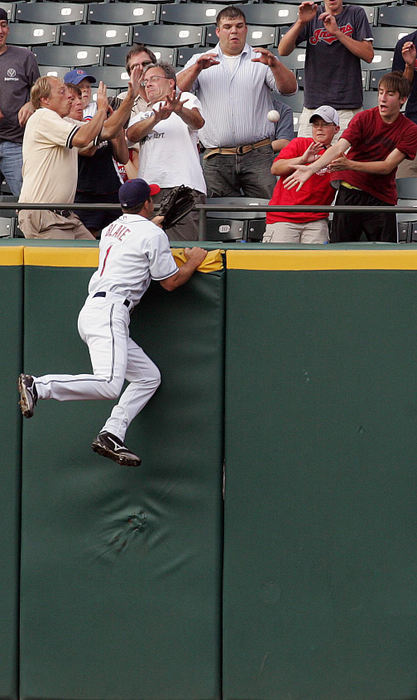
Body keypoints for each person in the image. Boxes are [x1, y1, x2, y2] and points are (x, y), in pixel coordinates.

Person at [18, 178, 207, 467]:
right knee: (108, 385)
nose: (153, 201)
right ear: (146, 203)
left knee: (148, 377)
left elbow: (136, 235)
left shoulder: (110, 229)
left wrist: (153, 224)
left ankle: (112, 433)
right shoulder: (151, 234)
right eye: (151, 199)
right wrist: (193, 261)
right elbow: (170, 282)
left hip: (96, 309)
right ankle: (39, 386)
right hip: (110, 312)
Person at [176, 5, 297, 198]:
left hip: (258, 154)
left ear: (246, 29)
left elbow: (289, 89)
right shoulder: (200, 60)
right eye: (227, 26)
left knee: (268, 212)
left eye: (239, 26)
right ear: (218, 31)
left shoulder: (261, 59)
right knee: (215, 217)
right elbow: (175, 91)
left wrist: (275, 64)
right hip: (216, 156)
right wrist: (196, 70)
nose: (234, 30)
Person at [283, 72, 417, 243]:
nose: (383, 98)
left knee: (385, 254)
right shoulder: (363, 117)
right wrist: (311, 168)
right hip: (349, 193)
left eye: (390, 94)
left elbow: (387, 166)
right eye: (381, 92)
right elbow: (339, 146)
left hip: (381, 199)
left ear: (402, 100)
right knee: (340, 251)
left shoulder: (410, 130)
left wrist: (349, 164)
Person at [18, 71, 140, 240]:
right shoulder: (42, 116)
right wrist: (102, 110)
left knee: (95, 258)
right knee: (69, 265)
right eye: (62, 92)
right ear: (44, 100)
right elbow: (83, 138)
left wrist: (130, 98)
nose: (69, 96)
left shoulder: (64, 122)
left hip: (66, 216)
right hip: (44, 215)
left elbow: (108, 129)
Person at [126, 62, 206, 241]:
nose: (148, 84)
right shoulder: (142, 115)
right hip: (149, 192)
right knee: (149, 246)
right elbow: (131, 135)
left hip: (184, 187)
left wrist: (178, 110)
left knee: (182, 248)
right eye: (145, 81)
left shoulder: (186, 99)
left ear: (171, 83)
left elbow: (198, 122)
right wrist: (156, 118)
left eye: (154, 79)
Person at [278, 0, 374, 138]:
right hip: (314, 108)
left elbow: (368, 55)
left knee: (343, 159)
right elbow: (282, 50)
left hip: (347, 107)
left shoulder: (355, 13)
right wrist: (300, 22)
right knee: (308, 158)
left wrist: (337, 33)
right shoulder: (313, 14)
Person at [65, 72, 129, 238]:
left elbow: (123, 157)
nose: (84, 93)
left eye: (86, 88)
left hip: (111, 190)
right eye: (78, 91)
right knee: (88, 243)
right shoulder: (64, 123)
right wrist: (104, 122)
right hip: (83, 193)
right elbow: (88, 149)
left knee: (118, 239)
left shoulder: (101, 114)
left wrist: (117, 127)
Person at [264, 105, 339, 244]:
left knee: (316, 265)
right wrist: (302, 159)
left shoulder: (337, 156)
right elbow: (275, 168)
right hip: (283, 218)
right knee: (277, 265)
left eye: (325, 124)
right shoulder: (299, 143)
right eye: (315, 124)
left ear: (336, 129)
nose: (319, 128)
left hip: (316, 221)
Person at [0, 8, 40, 196]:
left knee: (27, 204)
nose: (0, 31)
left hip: (16, 144)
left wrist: (32, 103)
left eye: (3, 25)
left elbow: (41, 93)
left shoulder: (25, 57)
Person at [392, 32, 417, 177]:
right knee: (403, 185)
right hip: (413, 127)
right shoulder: (406, 44)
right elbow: (400, 93)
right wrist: (409, 65)